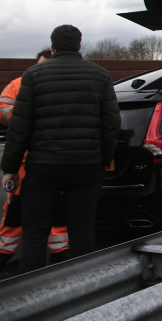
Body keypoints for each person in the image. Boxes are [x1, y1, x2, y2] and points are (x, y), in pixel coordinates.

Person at [1, 25, 120, 274]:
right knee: (82, 229)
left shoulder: (33, 76)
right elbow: (111, 124)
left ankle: (32, 294)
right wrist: (103, 161)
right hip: (87, 167)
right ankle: (81, 289)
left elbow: (19, 128)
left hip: (43, 168)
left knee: (34, 232)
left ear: (53, 47)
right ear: (79, 46)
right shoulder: (101, 75)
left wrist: (10, 169)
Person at [0, 49, 70, 271]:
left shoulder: (61, 86)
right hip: (25, 162)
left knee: (56, 208)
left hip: (51, 158)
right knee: (16, 208)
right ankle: (5, 252)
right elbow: (2, 111)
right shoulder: (18, 84)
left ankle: (59, 252)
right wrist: (27, 113)